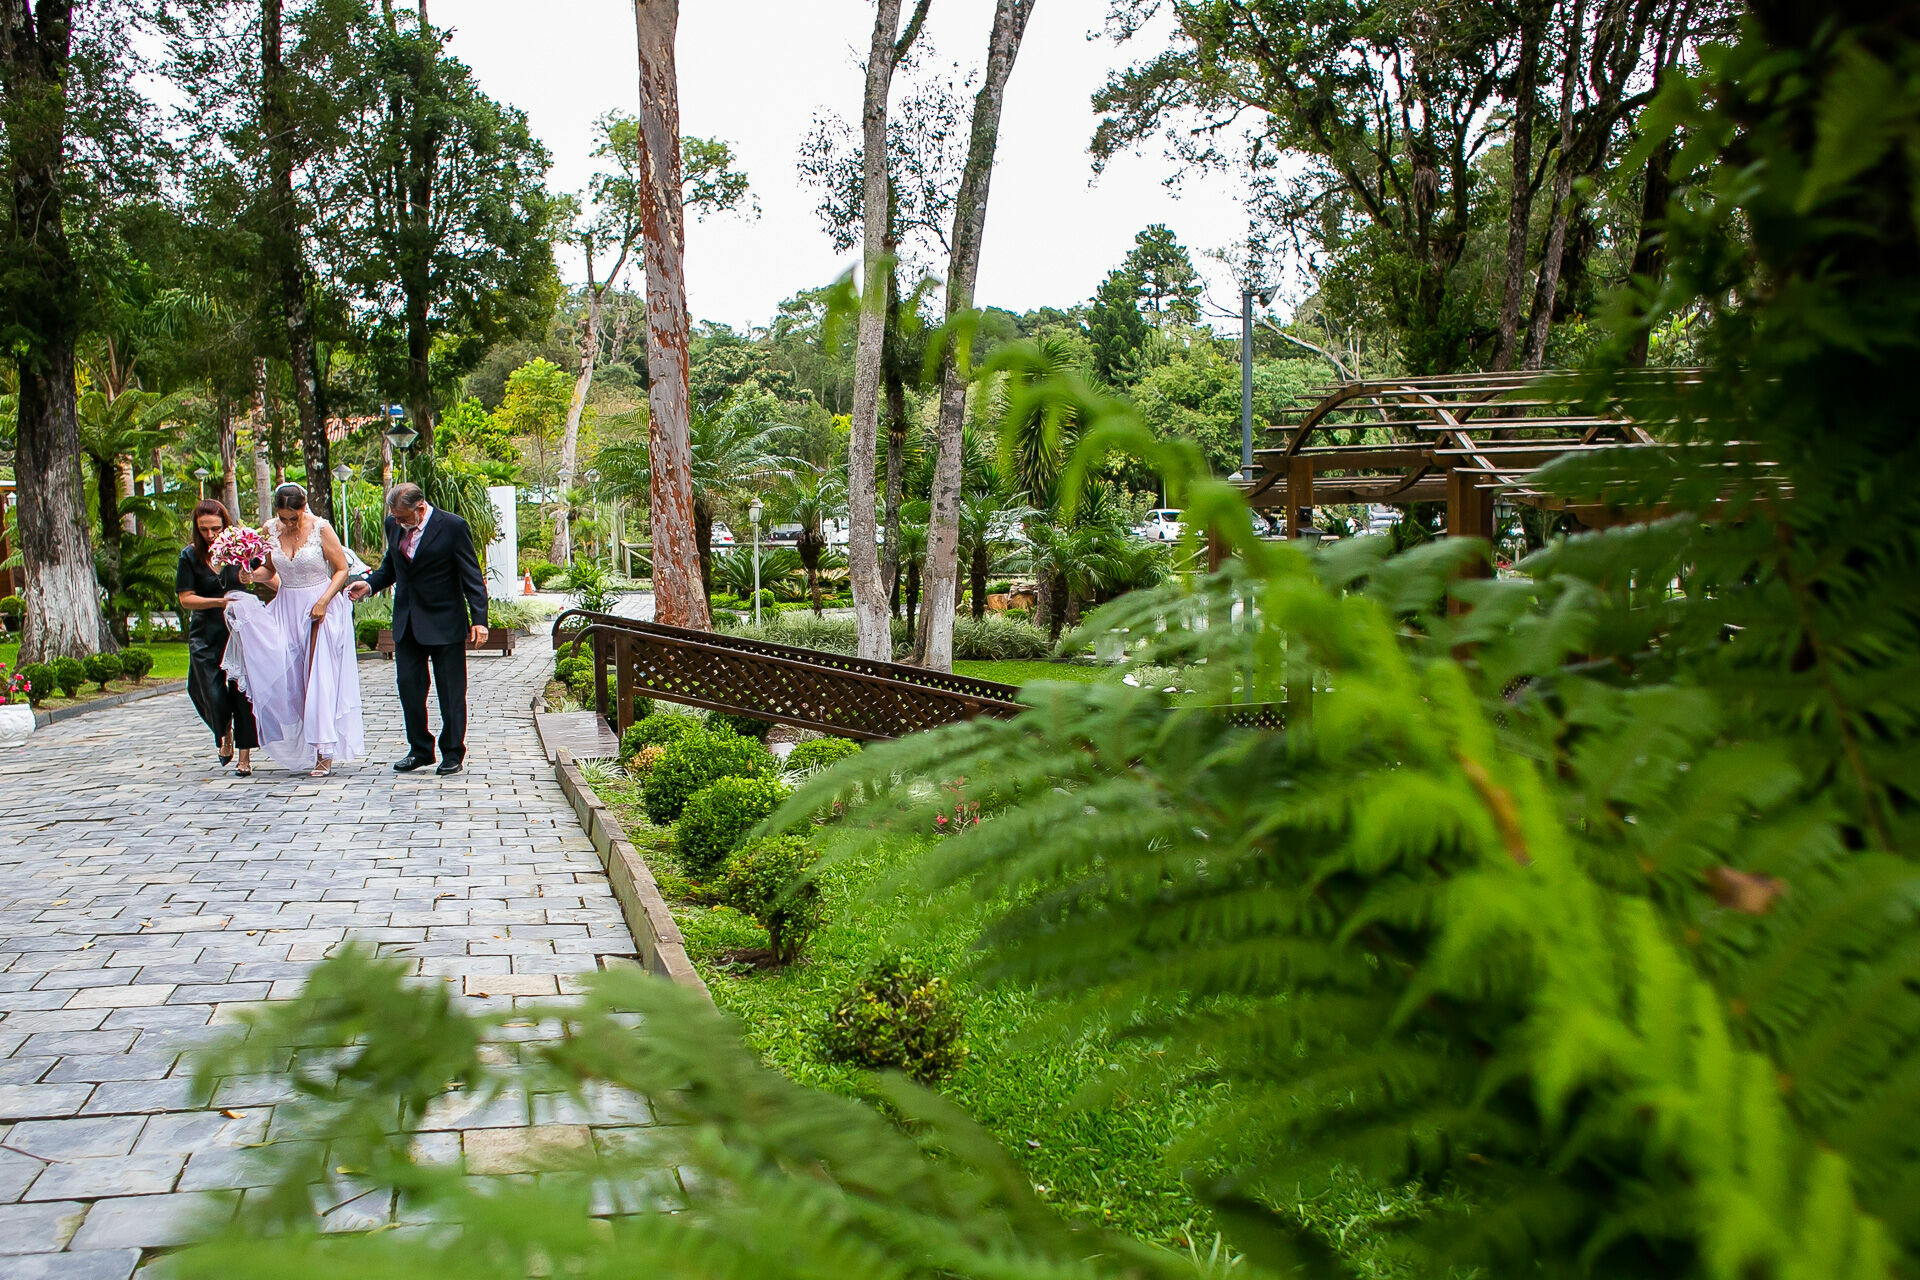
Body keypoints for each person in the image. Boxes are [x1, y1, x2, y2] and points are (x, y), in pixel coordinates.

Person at [346, 483, 488, 776]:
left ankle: (452, 752)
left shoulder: (452, 526)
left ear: (420, 508)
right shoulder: (393, 525)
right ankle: (421, 750)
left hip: (445, 621)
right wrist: (370, 584)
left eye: (402, 517)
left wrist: (480, 619)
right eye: (395, 518)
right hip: (408, 622)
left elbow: (471, 575)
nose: (397, 522)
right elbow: (391, 567)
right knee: (409, 688)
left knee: (450, 692)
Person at [243, 484, 365, 776]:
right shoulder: (268, 530)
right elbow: (270, 571)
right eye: (283, 518)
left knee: (319, 677)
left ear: (303, 507)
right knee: (292, 678)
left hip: (322, 607)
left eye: (293, 517)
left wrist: (324, 600)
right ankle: (302, 744)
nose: (288, 523)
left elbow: (340, 570)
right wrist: (250, 574)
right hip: (286, 606)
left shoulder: (321, 529)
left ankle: (325, 750)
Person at [175, 500, 260, 777]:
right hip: (206, 630)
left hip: (238, 631)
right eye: (204, 530)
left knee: (241, 691)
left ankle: (244, 755)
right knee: (202, 689)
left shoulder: (241, 550)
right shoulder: (189, 556)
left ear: (226, 525)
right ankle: (224, 730)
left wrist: (252, 576)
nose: (210, 535)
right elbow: (186, 598)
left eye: (216, 529)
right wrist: (219, 603)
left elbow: (271, 578)